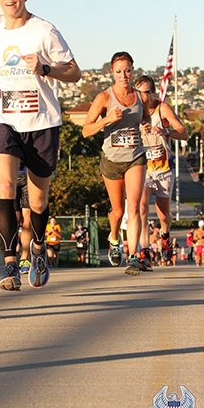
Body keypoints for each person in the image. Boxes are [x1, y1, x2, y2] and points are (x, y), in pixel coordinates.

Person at [0, 0, 81, 291]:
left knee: (37, 201)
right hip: (6, 119)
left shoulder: (44, 31)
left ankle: (37, 247)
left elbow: (75, 72)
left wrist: (46, 68)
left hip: (42, 124)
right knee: (5, 185)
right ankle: (10, 264)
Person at [82, 51, 150, 276]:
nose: (124, 75)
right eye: (119, 71)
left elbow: (146, 117)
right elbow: (85, 131)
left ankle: (133, 256)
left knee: (134, 207)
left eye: (128, 70)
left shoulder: (141, 97)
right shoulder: (104, 97)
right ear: (112, 72)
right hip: (111, 160)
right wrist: (107, 119)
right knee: (118, 210)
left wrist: (147, 126)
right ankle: (113, 238)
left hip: (135, 157)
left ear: (133, 70)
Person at [135, 75, 188, 269]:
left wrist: (166, 132)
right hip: (143, 167)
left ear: (154, 92)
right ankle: (145, 252)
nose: (145, 96)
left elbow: (184, 133)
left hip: (163, 168)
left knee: (163, 215)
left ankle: (165, 236)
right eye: (141, 92)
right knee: (141, 208)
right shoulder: (134, 111)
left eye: (148, 91)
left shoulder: (162, 108)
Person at [14, 162, 32, 276]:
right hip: (11, 172)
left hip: (29, 173)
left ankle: (24, 258)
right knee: (13, 219)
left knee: (27, 220)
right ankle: (10, 258)